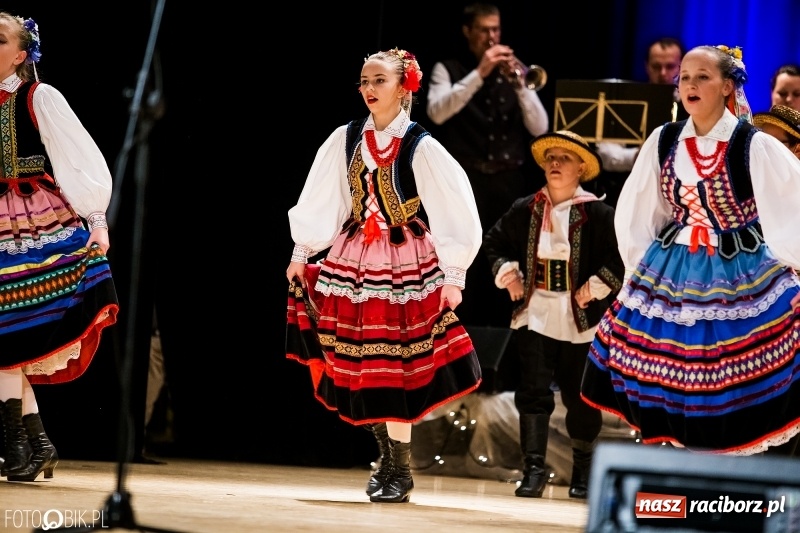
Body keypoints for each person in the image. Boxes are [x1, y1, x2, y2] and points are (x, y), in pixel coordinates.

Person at [285, 48, 483, 504]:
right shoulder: (347, 137)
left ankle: (402, 467)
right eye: (364, 81)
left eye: (379, 80)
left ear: (403, 86)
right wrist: (302, 250)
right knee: (362, 364)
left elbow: (455, 208)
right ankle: (388, 461)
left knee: (395, 366)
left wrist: (453, 275)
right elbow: (322, 196)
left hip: (404, 263)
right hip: (353, 260)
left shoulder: (420, 145)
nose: (369, 89)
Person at [580, 44, 800, 455]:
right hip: (673, 268)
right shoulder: (664, 141)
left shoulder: (753, 144)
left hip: (739, 269)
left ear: (728, 87)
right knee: (674, 369)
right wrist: (634, 274)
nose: (691, 85)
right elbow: (640, 211)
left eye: (703, 77)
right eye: (685, 77)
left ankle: (730, 483)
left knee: (727, 369)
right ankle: (678, 480)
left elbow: (792, 204)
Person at [0, 13, 119, 482]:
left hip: (30, 220)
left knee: (7, 338)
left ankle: (18, 445)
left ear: (21, 54)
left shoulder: (37, 96)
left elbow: (78, 155)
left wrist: (96, 219)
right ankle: (36, 443)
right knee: (7, 339)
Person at [483, 130, 624, 499]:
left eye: (565, 158)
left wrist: (595, 287)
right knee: (533, 391)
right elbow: (494, 242)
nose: (556, 163)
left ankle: (582, 472)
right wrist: (508, 273)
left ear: (581, 167)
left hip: (579, 318)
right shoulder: (525, 209)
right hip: (536, 311)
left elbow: (621, 257)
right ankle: (533, 468)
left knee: (580, 396)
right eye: (551, 158)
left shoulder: (598, 213)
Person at [425, 2, 549, 328]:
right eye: (484, 30)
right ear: (468, 31)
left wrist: (520, 84)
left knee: (506, 265)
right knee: (463, 265)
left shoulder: (514, 74)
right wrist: (479, 73)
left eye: (496, 29)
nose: (491, 37)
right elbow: (437, 111)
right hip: (464, 182)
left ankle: (502, 352)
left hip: (507, 184)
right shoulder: (447, 68)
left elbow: (540, 127)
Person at [594, 37, 687, 186]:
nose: (663, 73)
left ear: (682, 67)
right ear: (646, 66)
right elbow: (604, 153)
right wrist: (635, 156)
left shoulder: (692, 105)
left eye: (670, 66)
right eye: (656, 66)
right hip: (630, 184)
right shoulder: (629, 101)